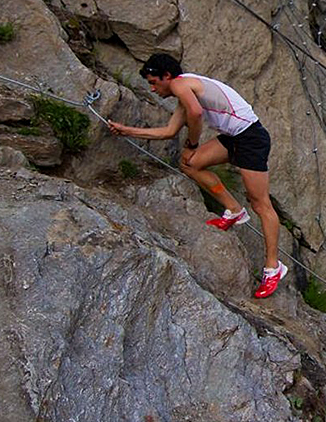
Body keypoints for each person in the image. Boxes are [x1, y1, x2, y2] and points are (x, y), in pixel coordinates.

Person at [108, 53, 286, 298]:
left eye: (154, 82)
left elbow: (196, 113)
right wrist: (127, 131)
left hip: (250, 137)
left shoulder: (181, 84)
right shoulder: (184, 91)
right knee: (190, 164)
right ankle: (234, 210)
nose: (152, 88)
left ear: (167, 76)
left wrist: (192, 142)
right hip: (234, 137)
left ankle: (273, 267)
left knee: (260, 203)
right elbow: (169, 131)